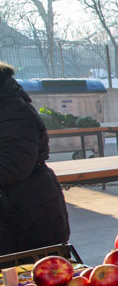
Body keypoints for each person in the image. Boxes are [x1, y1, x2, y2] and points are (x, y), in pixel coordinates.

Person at [0, 62, 70, 256]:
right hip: (15, 211)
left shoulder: (10, 107)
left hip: (26, 214)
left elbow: (14, 164)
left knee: (35, 272)